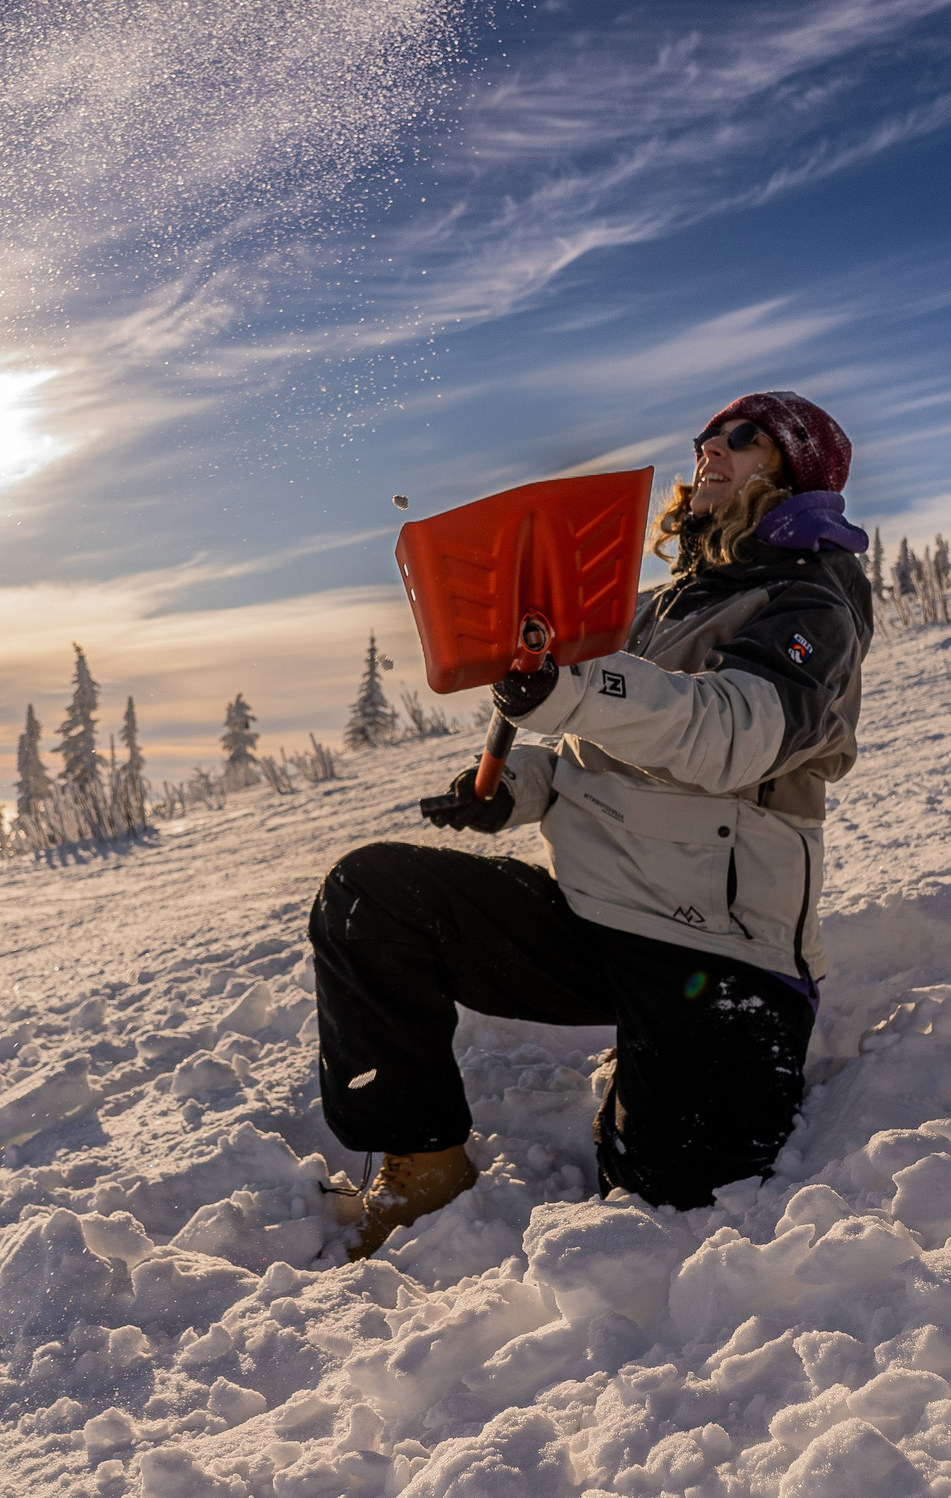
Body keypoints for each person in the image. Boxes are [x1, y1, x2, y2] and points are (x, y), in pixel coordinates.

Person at [308, 391, 874, 1258]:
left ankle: (667, 1061)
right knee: (370, 897)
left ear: (796, 472)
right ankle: (423, 1164)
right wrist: (516, 788)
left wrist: (573, 688)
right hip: (595, 919)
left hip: (718, 952)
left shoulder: (811, 604)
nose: (712, 448)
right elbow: (599, 750)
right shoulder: (660, 605)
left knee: (673, 1202)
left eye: (743, 437)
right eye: (706, 437)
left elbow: (732, 735)